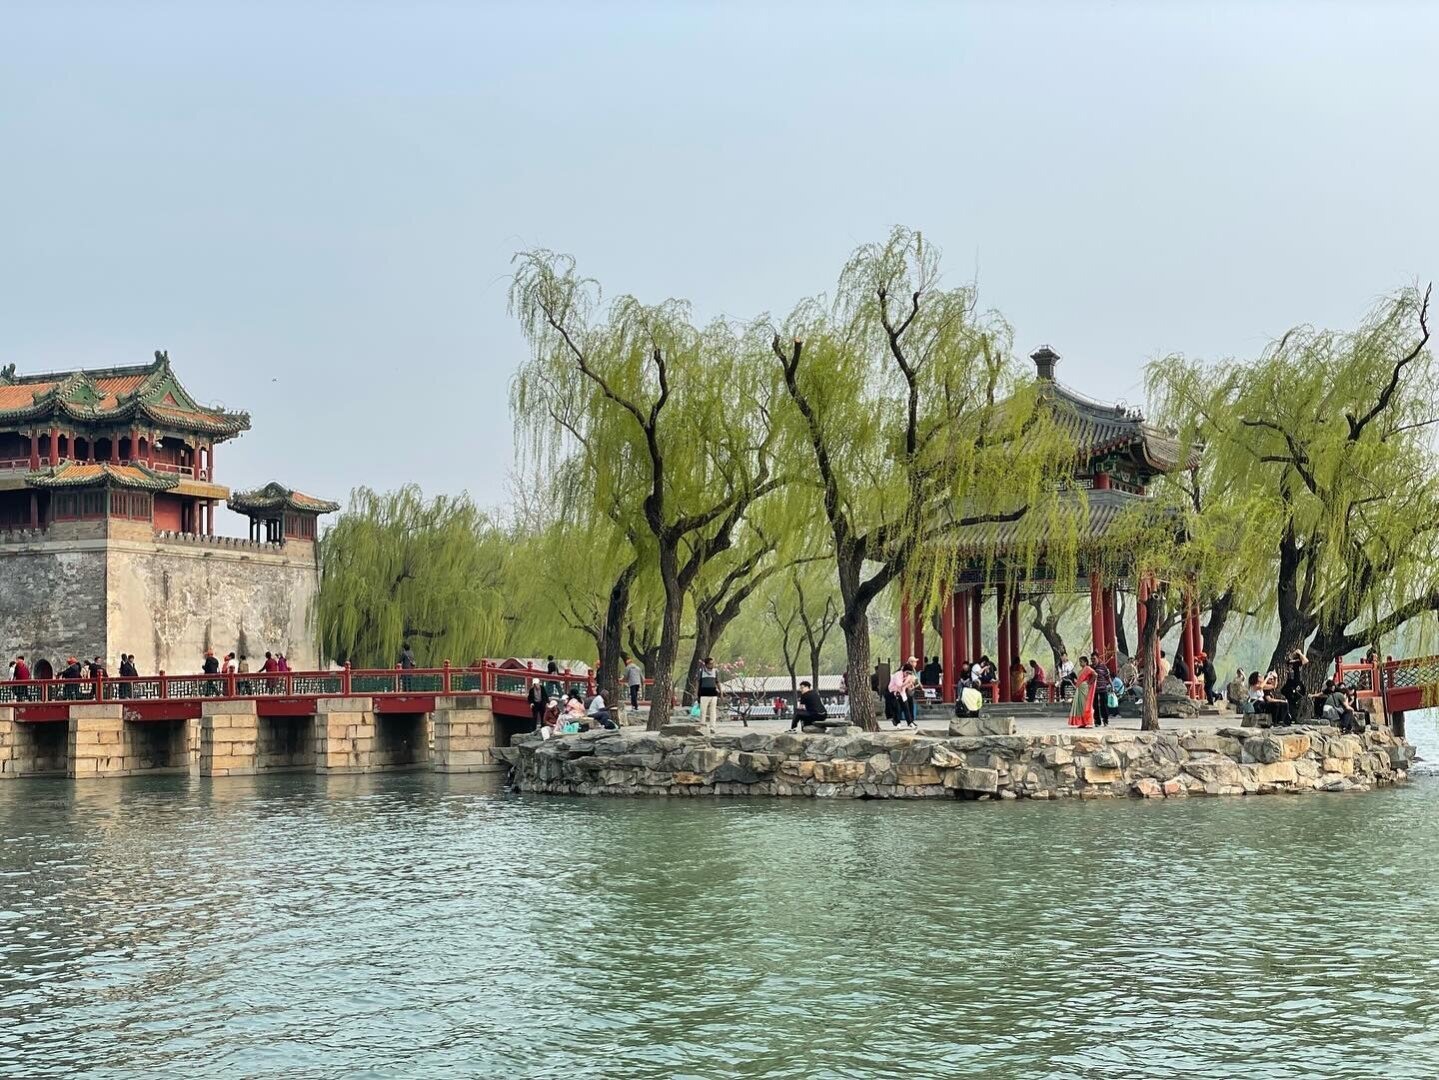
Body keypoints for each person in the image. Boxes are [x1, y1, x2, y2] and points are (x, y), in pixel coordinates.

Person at [1068, 654, 1097, 728]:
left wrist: (1090, 682)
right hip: (1080, 689)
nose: (1080, 663)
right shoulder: (1080, 670)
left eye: (1081, 662)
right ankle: (1082, 722)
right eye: (1079, 662)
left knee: (1085, 705)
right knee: (1080, 706)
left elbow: (1095, 674)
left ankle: (1088, 721)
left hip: (1085, 688)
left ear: (1085, 662)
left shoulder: (1088, 668)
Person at [696, 657, 722, 734]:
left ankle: (712, 726)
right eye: (710, 663)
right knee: (703, 711)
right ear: (706, 664)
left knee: (713, 711)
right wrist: (696, 693)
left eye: (713, 663)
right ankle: (702, 725)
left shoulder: (715, 671)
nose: (712, 665)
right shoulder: (701, 672)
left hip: (713, 693)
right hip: (704, 693)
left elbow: (717, 682)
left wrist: (721, 691)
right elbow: (698, 682)